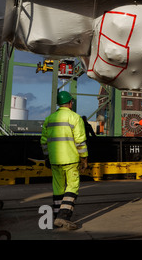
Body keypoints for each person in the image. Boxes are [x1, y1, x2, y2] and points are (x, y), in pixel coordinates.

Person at [40, 91, 88, 230]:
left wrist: (47, 157)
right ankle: (64, 217)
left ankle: (56, 218)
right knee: (72, 186)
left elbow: (43, 141)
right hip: (71, 160)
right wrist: (84, 158)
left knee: (58, 188)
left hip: (55, 160)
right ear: (70, 103)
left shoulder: (49, 119)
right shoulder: (75, 118)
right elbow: (80, 141)